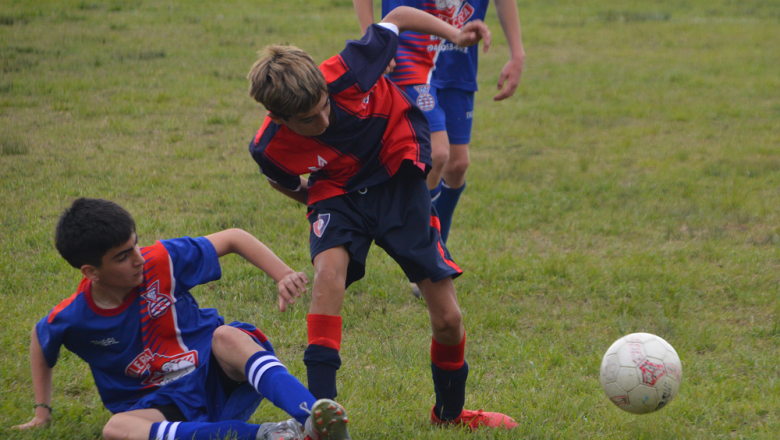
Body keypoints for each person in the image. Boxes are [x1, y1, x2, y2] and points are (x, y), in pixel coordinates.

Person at [246, 6, 516, 430]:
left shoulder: (351, 66)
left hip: (398, 177)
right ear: (278, 119)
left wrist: (455, 34)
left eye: (323, 107)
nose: (322, 120)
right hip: (338, 191)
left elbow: (403, 15)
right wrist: (316, 199)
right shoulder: (269, 145)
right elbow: (282, 180)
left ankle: (449, 414)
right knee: (327, 278)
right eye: (307, 120)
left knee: (448, 318)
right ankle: (321, 420)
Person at [11, 197, 351, 440]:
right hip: (162, 405)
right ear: (91, 271)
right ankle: (273, 435)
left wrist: (282, 274)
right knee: (116, 429)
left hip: (215, 373)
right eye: (122, 257)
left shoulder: (160, 260)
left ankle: (313, 418)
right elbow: (41, 340)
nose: (137, 260)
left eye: (135, 246)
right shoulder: (74, 316)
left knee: (228, 336)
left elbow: (233, 237)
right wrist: (42, 411)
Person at [353, 0, 526, 246]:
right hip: (409, 53)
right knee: (436, 153)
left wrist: (517, 53)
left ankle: (433, 249)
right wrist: (374, 38)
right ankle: (424, 253)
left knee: (457, 165)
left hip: (459, 58)